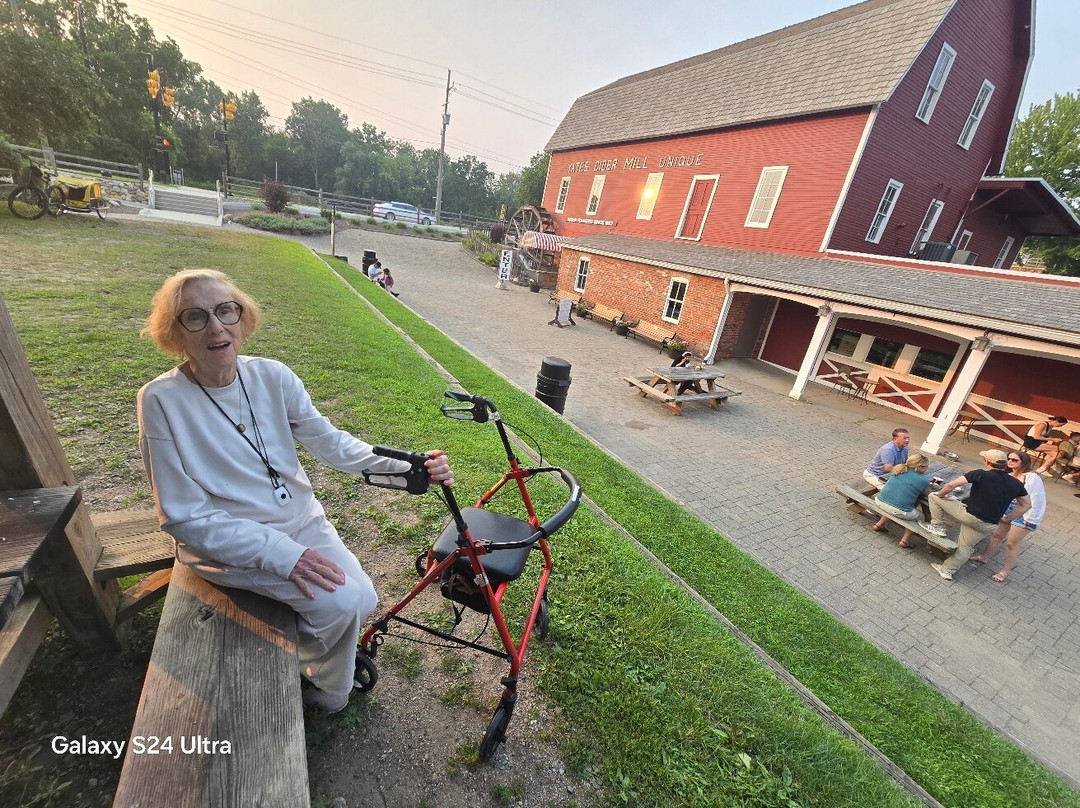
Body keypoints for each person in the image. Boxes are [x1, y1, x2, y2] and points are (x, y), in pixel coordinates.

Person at [137, 269, 454, 713]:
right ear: (174, 334)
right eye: (195, 317)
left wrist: (410, 467)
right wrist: (283, 555)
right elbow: (183, 517)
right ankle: (327, 689)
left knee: (364, 598)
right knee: (343, 605)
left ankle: (313, 664)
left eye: (226, 310)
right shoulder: (160, 400)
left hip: (301, 521)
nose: (216, 327)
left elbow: (332, 443)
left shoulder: (273, 376)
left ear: (244, 318)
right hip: (233, 543)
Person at [920, 449, 1030, 581]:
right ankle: (947, 570)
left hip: (969, 515)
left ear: (987, 462)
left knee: (933, 496)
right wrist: (1007, 518)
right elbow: (1026, 505)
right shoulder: (1016, 484)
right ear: (1005, 464)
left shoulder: (980, 474)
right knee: (966, 546)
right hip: (988, 524)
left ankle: (938, 526)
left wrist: (941, 495)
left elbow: (951, 484)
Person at [969, 452, 1046, 583]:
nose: (1010, 461)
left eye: (1015, 460)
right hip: (1009, 508)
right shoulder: (1008, 475)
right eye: (1009, 458)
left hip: (1026, 513)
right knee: (997, 535)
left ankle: (1005, 571)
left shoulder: (1031, 477)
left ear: (1023, 462)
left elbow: (1036, 499)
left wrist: (1030, 519)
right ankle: (984, 557)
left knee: (1011, 543)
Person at [870, 454, 932, 548]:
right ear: (918, 467)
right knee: (921, 517)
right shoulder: (923, 481)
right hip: (898, 510)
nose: (927, 468)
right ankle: (905, 541)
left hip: (879, 501)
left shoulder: (898, 469)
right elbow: (930, 495)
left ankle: (879, 525)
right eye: (926, 466)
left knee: (896, 501)